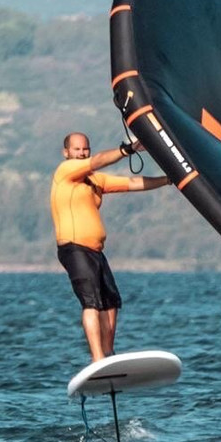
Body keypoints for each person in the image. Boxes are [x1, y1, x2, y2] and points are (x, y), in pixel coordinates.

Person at [50, 132, 170, 362]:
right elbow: (98, 161)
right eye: (76, 149)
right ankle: (97, 358)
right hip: (74, 248)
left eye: (85, 149)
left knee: (111, 302)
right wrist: (126, 150)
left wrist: (168, 180)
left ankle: (108, 353)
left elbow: (133, 183)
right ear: (66, 153)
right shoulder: (64, 173)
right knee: (92, 303)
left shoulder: (95, 181)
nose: (82, 153)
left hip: (95, 251)